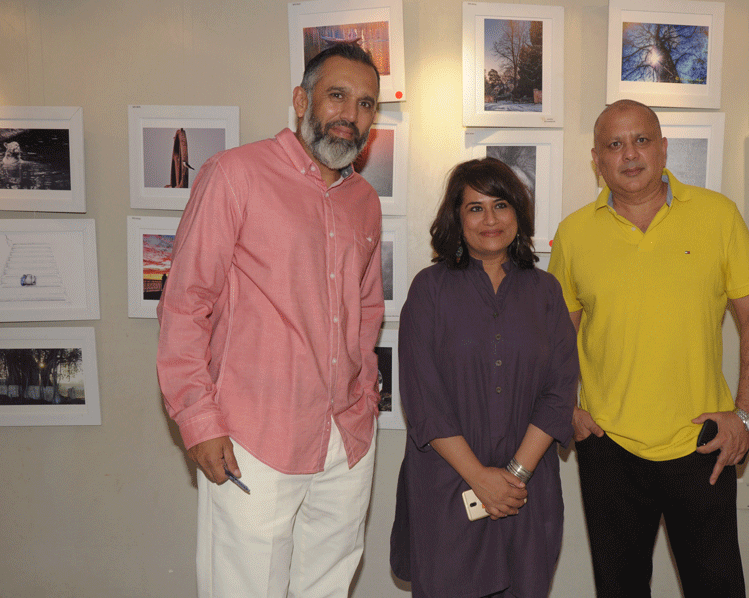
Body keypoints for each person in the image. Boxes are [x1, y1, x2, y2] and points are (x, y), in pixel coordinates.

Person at [156, 43, 384, 598]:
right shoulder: (235, 174)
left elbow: (368, 311)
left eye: (366, 104)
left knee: (327, 588)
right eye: (337, 96)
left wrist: (366, 396)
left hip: (346, 438)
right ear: (301, 99)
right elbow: (185, 304)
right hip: (252, 437)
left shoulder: (365, 202)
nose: (351, 115)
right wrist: (199, 421)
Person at [548, 99, 749, 597]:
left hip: (702, 444)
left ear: (664, 148)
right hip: (608, 447)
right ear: (597, 159)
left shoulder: (718, 216)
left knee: (716, 588)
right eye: (614, 144)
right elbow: (557, 338)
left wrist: (748, 416)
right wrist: (564, 408)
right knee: (620, 589)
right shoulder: (573, 233)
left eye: (642, 140)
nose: (630, 154)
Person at [390, 158, 579, 598]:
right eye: (475, 208)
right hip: (447, 483)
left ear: (519, 213)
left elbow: (559, 392)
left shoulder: (546, 292)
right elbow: (423, 401)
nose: (490, 219)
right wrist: (480, 478)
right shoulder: (429, 290)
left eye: (500, 205)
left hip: (525, 491)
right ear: (456, 218)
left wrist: (511, 478)